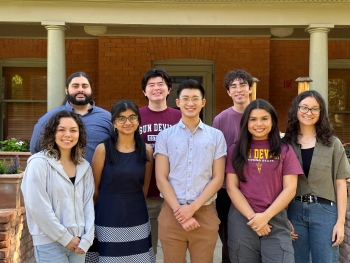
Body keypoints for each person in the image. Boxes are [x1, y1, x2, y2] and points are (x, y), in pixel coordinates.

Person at [155, 79, 226, 263]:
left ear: (203, 102)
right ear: (177, 103)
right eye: (185, 98)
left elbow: (218, 178)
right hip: (172, 213)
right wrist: (181, 212)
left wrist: (192, 209)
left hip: (204, 213)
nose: (190, 103)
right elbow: (161, 178)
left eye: (195, 98)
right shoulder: (165, 136)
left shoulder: (216, 136)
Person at [225, 99, 303, 263]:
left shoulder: (285, 150)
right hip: (242, 219)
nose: (258, 124)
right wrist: (254, 219)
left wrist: (265, 217)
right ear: (246, 122)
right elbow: (232, 187)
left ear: (273, 121)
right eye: (253, 119)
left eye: (264, 118)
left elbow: (290, 188)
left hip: (275, 217)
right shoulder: (235, 150)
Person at [283, 90, 350, 263]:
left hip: (325, 212)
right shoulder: (286, 144)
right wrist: (282, 217)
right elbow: (277, 183)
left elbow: (341, 184)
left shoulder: (333, 144)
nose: (308, 112)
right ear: (296, 110)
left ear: (321, 113)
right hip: (294, 211)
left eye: (315, 109)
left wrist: (340, 222)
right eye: (304, 107)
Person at [21, 110, 95, 263]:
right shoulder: (39, 163)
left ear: (79, 134)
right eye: (61, 129)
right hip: (50, 243)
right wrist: (65, 238)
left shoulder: (84, 166)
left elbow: (88, 205)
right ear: (52, 133)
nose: (67, 134)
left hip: (79, 242)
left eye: (73, 130)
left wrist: (88, 237)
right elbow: (38, 207)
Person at [86, 100, 155, 262]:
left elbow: (144, 187)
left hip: (136, 212)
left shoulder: (147, 150)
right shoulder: (103, 149)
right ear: (114, 123)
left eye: (132, 117)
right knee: (110, 257)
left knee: (137, 256)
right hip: (108, 213)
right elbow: (95, 189)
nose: (127, 122)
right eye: (121, 118)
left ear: (138, 121)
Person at [212, 69, 253, 263]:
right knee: (229, 240)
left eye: (243, 85)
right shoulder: (221, 119)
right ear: (228, 92)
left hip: (254, 187)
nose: (238, 90)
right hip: (226, 189)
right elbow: (215, 155)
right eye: (233, 86)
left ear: (250, 89)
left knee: (253, 235)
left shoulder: (260, 114)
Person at [139, 69, 181, 254]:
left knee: (175, 251)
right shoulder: (134, 116)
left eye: (160, 84)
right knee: (146, 250)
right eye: (151, 85)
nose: (156, 88)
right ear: (144, 91)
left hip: (175, 195)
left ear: (169, 89)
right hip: (144, 193)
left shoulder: (180, 117)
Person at [30, 71, 113, 164]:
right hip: (60, 176)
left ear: (91, 90)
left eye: (85, 86)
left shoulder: (108, 118)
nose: (80, 89)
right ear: (66, 90)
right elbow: (36, 149)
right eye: (75, 86)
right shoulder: (49, 118)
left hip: (97, 177)